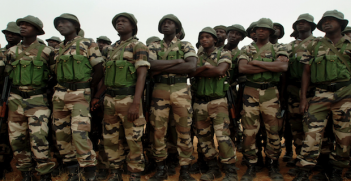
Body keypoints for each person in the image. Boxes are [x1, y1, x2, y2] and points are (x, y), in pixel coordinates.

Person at [294, 10, 351, 181]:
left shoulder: (349, 44)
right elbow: (306, 72)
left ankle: (336, 170)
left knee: (344, 137)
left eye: (331, 20)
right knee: (311, 133)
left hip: (345, 94)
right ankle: (304, 169)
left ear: (341, 24)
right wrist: (303, 98)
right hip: (320, 94)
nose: (326, 23)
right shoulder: (314, 45)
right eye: (324, 21)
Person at [92, 12, 149, 181]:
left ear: (133, 26)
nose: (120, 23)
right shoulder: (110, 49)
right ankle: (115, 172)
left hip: (129, 98)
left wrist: (135, 103)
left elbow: (142, 75)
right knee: (110, 139)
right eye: (117, 21)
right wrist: (97, 96)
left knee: (134, 139)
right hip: (110, 99)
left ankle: (135, 174)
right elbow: (106, 78)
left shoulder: (139, 46)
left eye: (124, 21)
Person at [52, 13, 104, 181]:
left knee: (79, 133)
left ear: (76, 26)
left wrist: (88, 87)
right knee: (61, 135)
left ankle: (89, 172)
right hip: (59, 94)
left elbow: (99, 69)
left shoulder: (88, 43)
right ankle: (73, 171)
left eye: (64, 22)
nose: (60, 25)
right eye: (58, 23)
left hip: (80, 94)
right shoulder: (58, 48)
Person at [5, 15, 56, 181]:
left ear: (37, 30)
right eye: (21, 25)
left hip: (37, 100)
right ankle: (26, 172)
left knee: (39, 137)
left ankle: (44, 172)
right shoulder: (11, 52)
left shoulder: (47, 51)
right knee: (16, 139)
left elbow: (56, 76)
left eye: (28, 25)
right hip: (15, 99)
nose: (23, 27)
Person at [147, 14, 197, 181]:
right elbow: (150, 66)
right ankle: (161, 168)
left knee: (184, 130)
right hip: (159, 89)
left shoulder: (186, 44)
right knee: (158, 131)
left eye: (170, 23)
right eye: (164, 23)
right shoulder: (154, 45)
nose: (166, 25)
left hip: (181, 89)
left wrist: (162, 66)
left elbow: (191, 66)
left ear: (177, 27)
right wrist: (177, 61)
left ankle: (185, 170)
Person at [238, 18, 288, 181]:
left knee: (273, 131)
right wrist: (270, 64)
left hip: (270, 93)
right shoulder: (246, 48)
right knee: (249, 131)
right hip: (250, 91)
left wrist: (256, 62)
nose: (260, 31)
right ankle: (252, 164)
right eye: (258, 28)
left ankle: (273, 163)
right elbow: (242, 68)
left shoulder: (279, 47)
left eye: (264, 29)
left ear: (270, 32)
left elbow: (282, 67)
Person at [190, 26, 237, 181]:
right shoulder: (198, 55)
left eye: (207, 37)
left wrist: (201, 71)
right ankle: (213, 168)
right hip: (199, 102)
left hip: (218, 102)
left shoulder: (224, 53)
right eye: (201, 37)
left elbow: (220, 71)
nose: (204, 39)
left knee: (223, 137)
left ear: (215, 40)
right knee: (203, 138)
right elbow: (190, 73)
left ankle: (231, 171)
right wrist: (205, 67)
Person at [285, 13, 317, 176]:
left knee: (314, 127)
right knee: (296, 126)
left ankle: (318, 161)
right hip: (292, 90)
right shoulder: (289, 46)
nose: (301, 25)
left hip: (315, 91)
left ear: (312, 26)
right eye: (299, 23)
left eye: (305, 23)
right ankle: (300, 158)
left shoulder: (318, 44)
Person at [0, 21, 21, 179]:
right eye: (7, 33)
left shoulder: (20, 52)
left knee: (10, 132)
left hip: (14, 97)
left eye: (13, 33)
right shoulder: (2, 52)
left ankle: (6, 161)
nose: (9, 35)